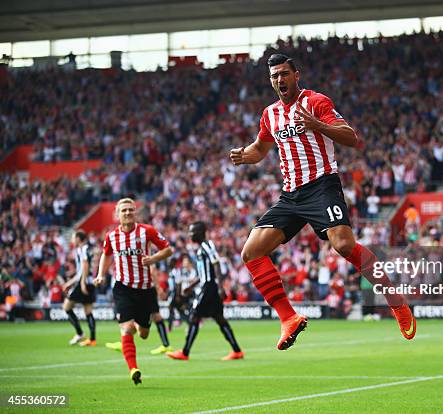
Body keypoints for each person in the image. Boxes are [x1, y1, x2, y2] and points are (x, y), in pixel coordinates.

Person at [229, 53, 416, 350]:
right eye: (275, 76)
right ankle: (288, 318)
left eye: (284, 74)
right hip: (291, 195)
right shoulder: (270, 114)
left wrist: (317, 124)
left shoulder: (316, 101)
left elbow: (350, 137)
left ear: (296, 75)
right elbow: (260, 149)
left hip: (322, 186)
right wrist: (244, 155)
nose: (280, 80)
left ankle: (394, 299)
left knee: (342, 244)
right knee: (251, 252)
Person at [93, 198, 174, 385]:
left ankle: (140, 326)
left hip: (145, 289)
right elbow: (106, 255)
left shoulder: (147, 231)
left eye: (130, 210)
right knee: (127, 328)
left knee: (144, 333)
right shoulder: (111, 236)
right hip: (123, 287)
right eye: (124, 211)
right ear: (117, 214)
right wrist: (100, 274)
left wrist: (152, 259)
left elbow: (168, 250)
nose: (127, 213)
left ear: (135, 212)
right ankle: (133, 369)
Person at [167, 222, 243, 361]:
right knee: (220, 319)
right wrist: (191, 286)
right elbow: (203, 273)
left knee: (194, 317)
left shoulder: (208, 246)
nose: (190, 235)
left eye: (192, 232)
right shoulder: (201, 248)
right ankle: (237, 351)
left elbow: (216, 264)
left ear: (200, 232)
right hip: (208, 285)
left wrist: (220, 287)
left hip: (209, 287)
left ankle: (185, 352)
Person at [62, 230, 96, 346]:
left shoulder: (83, 249)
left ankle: (80, 333)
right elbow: (82, 269)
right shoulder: (86, 249)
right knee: (88, 310)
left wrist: (81, 283)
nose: (72, 240)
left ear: (78, 239)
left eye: (73, 238)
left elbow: (85, 266)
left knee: (66, 307)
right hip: (89, 282)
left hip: (84, 282)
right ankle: (92, 339)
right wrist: (70, 282)